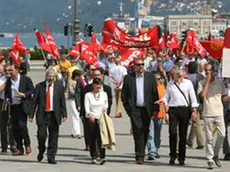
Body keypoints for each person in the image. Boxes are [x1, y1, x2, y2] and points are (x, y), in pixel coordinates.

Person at [155, 65, 199, 166]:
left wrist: (194, 110)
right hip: (173, 110)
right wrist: (162, 100)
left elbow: (193, 97)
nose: (171, 76)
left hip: (184, 109)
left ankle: (182, 157)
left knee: (183, 135)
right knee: (173, 133)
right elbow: (167, 97)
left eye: (172, 74)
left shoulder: (187, 83)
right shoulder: (170, 84)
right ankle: (172, 155)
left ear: (178, 74)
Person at [122, 58, 159, 165]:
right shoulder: (128, 78)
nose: (140, 66)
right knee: (137, 131)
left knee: (145, 131)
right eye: (138, 65)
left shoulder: (150, 77)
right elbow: (124, 95)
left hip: (147, 109)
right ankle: (139, 155)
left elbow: (154, 93)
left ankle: (142, 152)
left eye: (142, 64)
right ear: (134, 66)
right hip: (135, 110)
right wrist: (128, 109)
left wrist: (155, 109)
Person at [29, 68, 67, 164]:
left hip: (54, 114)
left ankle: (51, 156)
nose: (50, 78)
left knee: (54, 137)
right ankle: (41, 150)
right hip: (43, 114)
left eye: (52, 76)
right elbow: (34, 102)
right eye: (49, 76)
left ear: (55, 77)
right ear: (46, 76)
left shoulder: (59, 87)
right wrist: (31, 114)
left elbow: (62, 101)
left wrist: (64, 114)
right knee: (41, 135)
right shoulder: (39, 86)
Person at [198, 63, 227, 169]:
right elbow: (203, 95)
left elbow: (223, 97)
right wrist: (207, 81)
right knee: (209, 138)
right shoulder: (201, 82)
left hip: (218, 112)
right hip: (208, 112)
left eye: (210, 70)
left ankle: (215, 154)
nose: (208, 72)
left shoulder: (219, 82)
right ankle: (209, 158)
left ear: (214, 71)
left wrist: (228, 99)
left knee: (222, 134)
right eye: (206, 70)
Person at [5, 63, 34, 156]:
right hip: (13, 107)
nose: (9, 72)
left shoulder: (25, 79)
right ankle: (20, 148)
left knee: (22, 126)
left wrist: (24, 95)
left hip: (23, 106)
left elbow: (31, 90)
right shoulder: (9, 81)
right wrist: (7, 99)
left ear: (17, 70)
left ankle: (27, 144)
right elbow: (6, 93)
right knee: (14, 128)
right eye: (8, 70)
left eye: (11, 70)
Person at [84, 78, 108, 165]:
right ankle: (94, 156)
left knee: (102, 138)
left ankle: (102, 157)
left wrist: (105, 108)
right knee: (92, 137)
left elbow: (106, 104)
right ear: (93, 85)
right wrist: (89, 114)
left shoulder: (104, 94)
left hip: (101, 117)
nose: (98, 86)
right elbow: (86, 107)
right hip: (92, 118)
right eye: (97, 84)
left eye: (100, 84)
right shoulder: (88, 95)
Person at [147, 73, 166, 160]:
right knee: (150, 133)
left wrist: (167, 113)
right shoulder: (148, 88)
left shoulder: (163, 88)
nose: (156, 80)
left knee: (157, 134)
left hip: (160, 113)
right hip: (150, 113)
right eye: (155, 79)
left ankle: (156, 148)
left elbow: (166, 101)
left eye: (158, 79)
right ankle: (152, 151)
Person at [186, 62, 204, 149]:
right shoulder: (200, 76)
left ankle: (201, 142)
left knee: (196, 122)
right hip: (199, 101)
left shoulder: (187, 78)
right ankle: (189, 141)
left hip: (189, 101)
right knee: (195, 121)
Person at [68, 69, 82, 138]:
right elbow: (71, 90)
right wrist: (77, 94)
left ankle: (73, 132)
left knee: (76, 115)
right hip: (72, 99)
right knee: (76, 115)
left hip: (79, 99)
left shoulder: (80, 81)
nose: (79, 77)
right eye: (78, 76)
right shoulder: (70, 81)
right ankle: (78, 132)